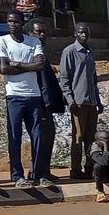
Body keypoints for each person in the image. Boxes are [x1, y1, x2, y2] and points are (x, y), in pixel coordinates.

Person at [0, 12, 49, 189]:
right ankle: (17, 176)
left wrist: (17, 64)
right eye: (10, 21)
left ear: (22, 23)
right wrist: (28, 67)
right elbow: (3, 68)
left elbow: (40, 66)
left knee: (38, 136)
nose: (12, 24)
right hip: (14, 96)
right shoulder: (1, 41)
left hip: (34, 95)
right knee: (14, 137)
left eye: (16, 21)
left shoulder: (33, 41)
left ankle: (39, 174)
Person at [58, 22, 102, 181]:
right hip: (78, 102)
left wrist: (98, 100)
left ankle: (89, 166)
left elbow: (93, 79)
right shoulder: (69, 52)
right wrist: (69, 100)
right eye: (81, 33)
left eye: (86, 33)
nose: (84, 35)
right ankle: (75, 169)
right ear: (75, 34)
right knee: (78, 136)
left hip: (91, 101)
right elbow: (64, 78)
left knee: (91, 137)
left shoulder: (89, 52)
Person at [29, 20, 65, 182]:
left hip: (47, 104)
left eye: (43, 32)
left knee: (48, 136)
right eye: (38, 32)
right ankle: (38, 173)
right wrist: (46, 103)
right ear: (30, 34)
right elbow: (40, 82)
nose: (41, 35)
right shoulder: (33, 55)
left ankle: (44, 170)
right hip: (40, 104)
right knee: (41, 138)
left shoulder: (42, 53)